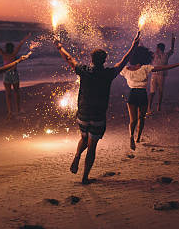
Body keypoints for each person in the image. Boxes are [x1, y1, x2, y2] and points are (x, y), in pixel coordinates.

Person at [55, 31, 140, 184]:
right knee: (92, 146)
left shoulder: (84, 70)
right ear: (104, 60)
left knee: (83, 138)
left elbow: (69, 59)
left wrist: (59, 47)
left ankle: (76, 157)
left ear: (91, 59)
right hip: (98, 115)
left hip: (83, 113)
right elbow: (123, 61)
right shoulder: (108, 73)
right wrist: (134, 46)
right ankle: (85, 177)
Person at [120, 45, 179, 150]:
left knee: (133, 120)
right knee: (141, 119)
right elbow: (163, 68)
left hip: (132, 95)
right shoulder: (145, 68)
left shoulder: (125, 69)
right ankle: (138, 138)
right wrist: (177, 64)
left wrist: (131, 50)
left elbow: (119, 64)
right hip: (142, 94)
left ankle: (131, 136)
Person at [0, 33, 32, 119]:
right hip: (11, 74)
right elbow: (20, 44)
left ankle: (14, 110)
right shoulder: (10, 54)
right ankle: (13, 110)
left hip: (9, 74)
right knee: (13, 93)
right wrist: (27, 37)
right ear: (10, 48)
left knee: (12, 94)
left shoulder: (8, 54)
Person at [148, 34, 176, 114]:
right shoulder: (154, 55)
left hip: (162, 75)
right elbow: (146, 53)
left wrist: (173, 41)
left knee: (160, 91)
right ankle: (149, 107)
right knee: (152, 92)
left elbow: (172, 50)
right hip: (154, 75)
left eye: (157, 48)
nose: (156, 49)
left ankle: (158, 106)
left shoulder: (165, 55)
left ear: (159, 49)